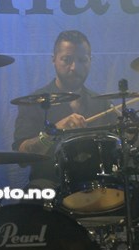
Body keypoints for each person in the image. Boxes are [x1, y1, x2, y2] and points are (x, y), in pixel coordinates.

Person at [12, 30, 117, 190]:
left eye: (82, 60)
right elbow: (22, 156)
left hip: (97, 186)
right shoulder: (34, 102)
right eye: (67, 60)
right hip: (49, 185)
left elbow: (119, 149)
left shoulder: (102, 103)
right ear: (54, 59)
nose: (74, 67)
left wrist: (132, 136)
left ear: (90, 60)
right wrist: (53, 132)